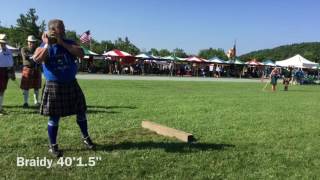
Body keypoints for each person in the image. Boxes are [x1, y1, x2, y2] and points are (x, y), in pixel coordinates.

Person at [32, 19, 95, 157]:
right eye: (62, 27)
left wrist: (62, 43)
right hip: (54, 85)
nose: (64, 29)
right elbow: (37, 59)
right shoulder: (43, 45)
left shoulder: (69, 42)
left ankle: (86, 138)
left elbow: (81, 54)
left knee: (81, 112)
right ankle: (53, 146)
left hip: (71, 83)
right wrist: (48, 44)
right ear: (53, 30)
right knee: (54, 117)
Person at [20, 35, 42, 108]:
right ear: (27, 42)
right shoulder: (24, 49)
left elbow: (40, 57)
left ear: (34, 42)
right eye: (30, 42)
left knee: (37, 86)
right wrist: (35, 56)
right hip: (28, 68)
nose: (31, 43)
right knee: (26, 87)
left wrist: (33, 57)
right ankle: (25, 102)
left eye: (32, 42)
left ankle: (36, 102)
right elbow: (26, 57)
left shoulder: (37, 49)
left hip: (36, 68)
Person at [0, 34, 15, 115]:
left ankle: (0, 107)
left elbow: (11, 63)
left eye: (4, 43)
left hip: (6, 71)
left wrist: (12, 72)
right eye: (1, 43)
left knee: (2, 90)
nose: (3, 44)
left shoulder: (9, 51)